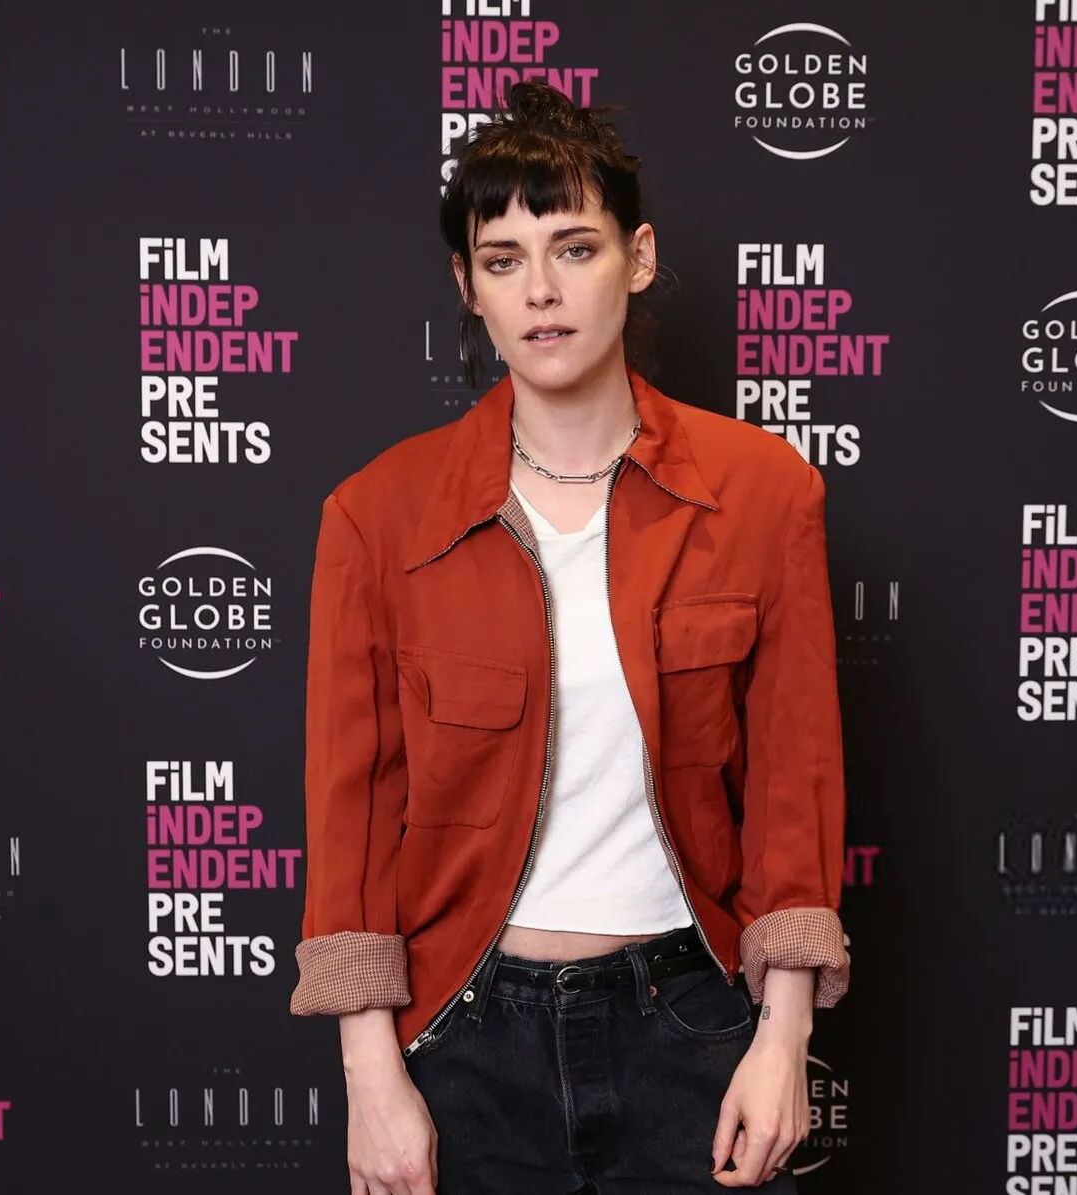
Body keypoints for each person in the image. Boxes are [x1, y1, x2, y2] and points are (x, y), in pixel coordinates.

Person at [290, 82, 850, 1195]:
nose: (541, 290)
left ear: (638, 259)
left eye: (575, 248)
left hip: (694, 1027)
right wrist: (371, 1073)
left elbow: (795, 780)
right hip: (464, 1039)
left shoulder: (763, 492)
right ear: (469, 287)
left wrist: (783, 1037)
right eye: (503, 260)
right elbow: (351, 810)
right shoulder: (376, 516)